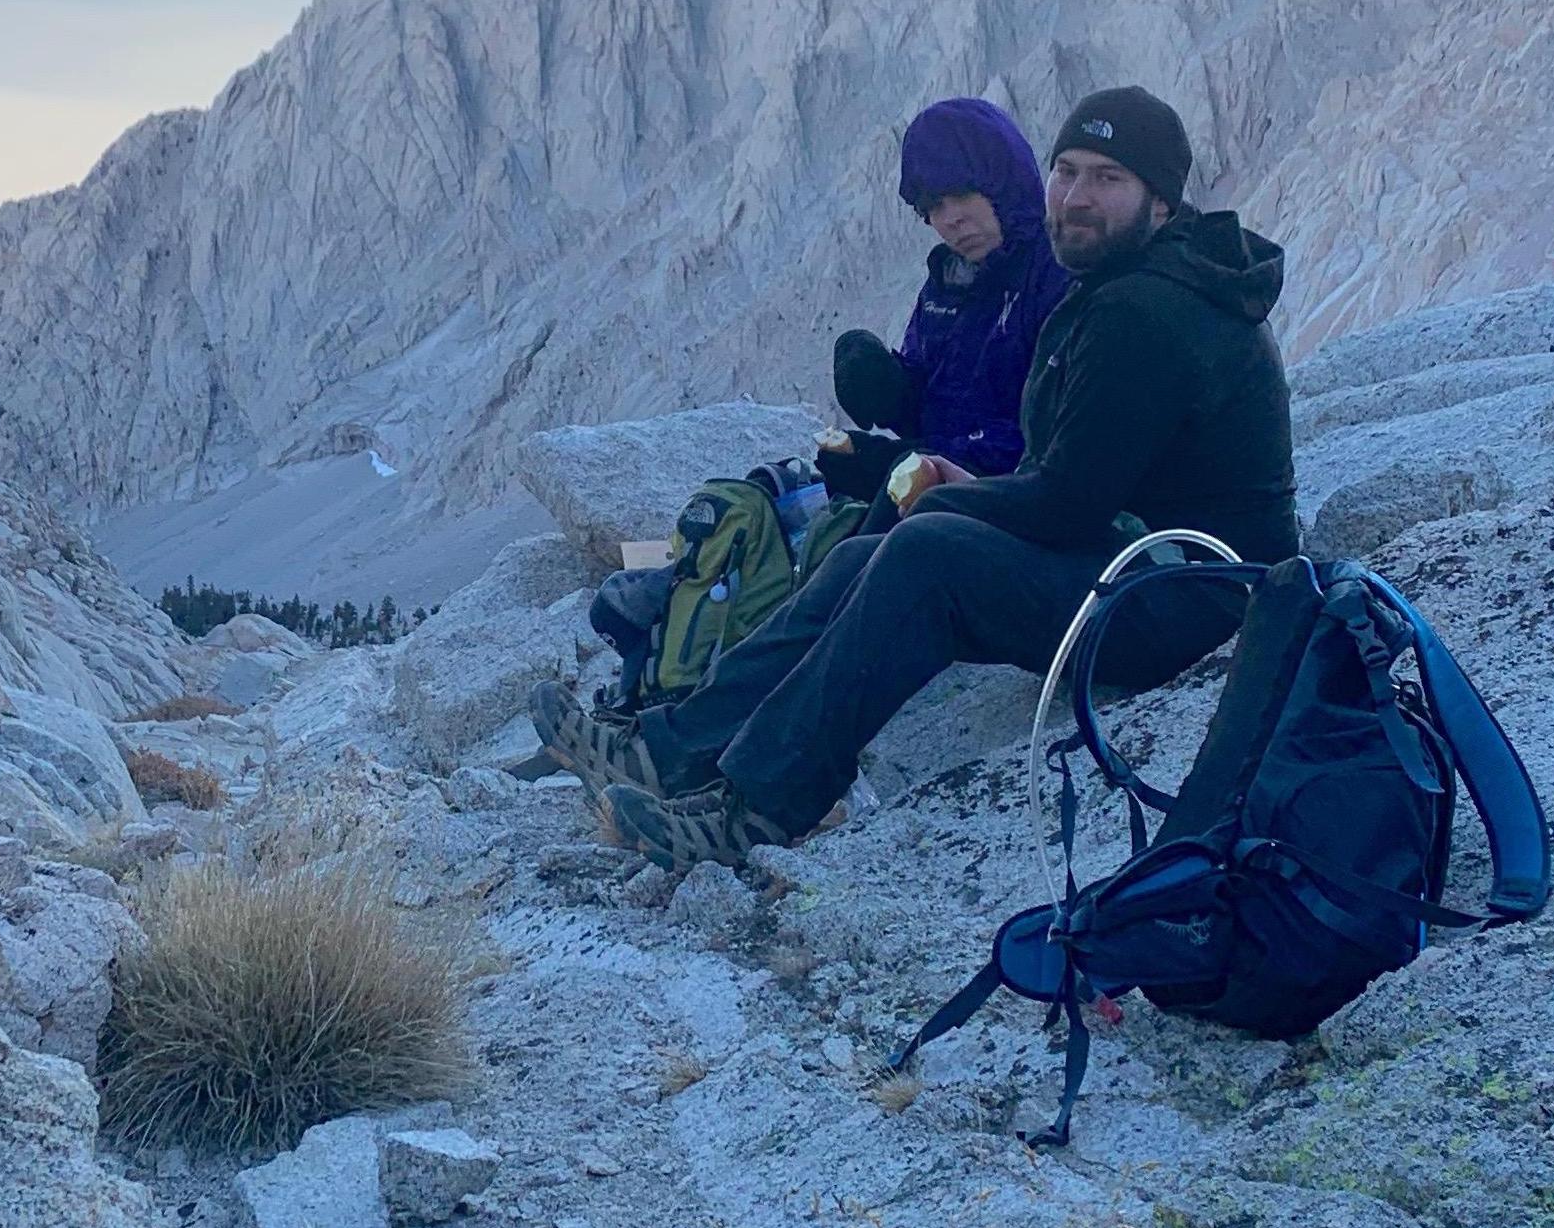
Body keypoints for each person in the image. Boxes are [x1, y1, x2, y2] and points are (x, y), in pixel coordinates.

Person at [533, 85, 1298, 870]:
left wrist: (946, 492)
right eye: (1067, 170)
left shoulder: (1145, 309)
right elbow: (1077, 475)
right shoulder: (1126, 281)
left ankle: (757, 811)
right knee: (865, 553)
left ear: (1160, 200)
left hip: (1194, 594)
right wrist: (939, 470)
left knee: (926, 555)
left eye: (1108, 178)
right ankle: (672, 750)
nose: (1076, 197)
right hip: (1144, 558)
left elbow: (1068, 505)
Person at [822, 96, 1072, 503]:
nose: (951, 219)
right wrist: (889, 386)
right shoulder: (947, 284)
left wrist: (910, 459)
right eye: (934, 206)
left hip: (1018, 505)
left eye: (962, 194)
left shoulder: (1060, 275)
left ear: (1002, 182)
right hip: (947, 492)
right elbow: (936, 402)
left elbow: (1050, 437)